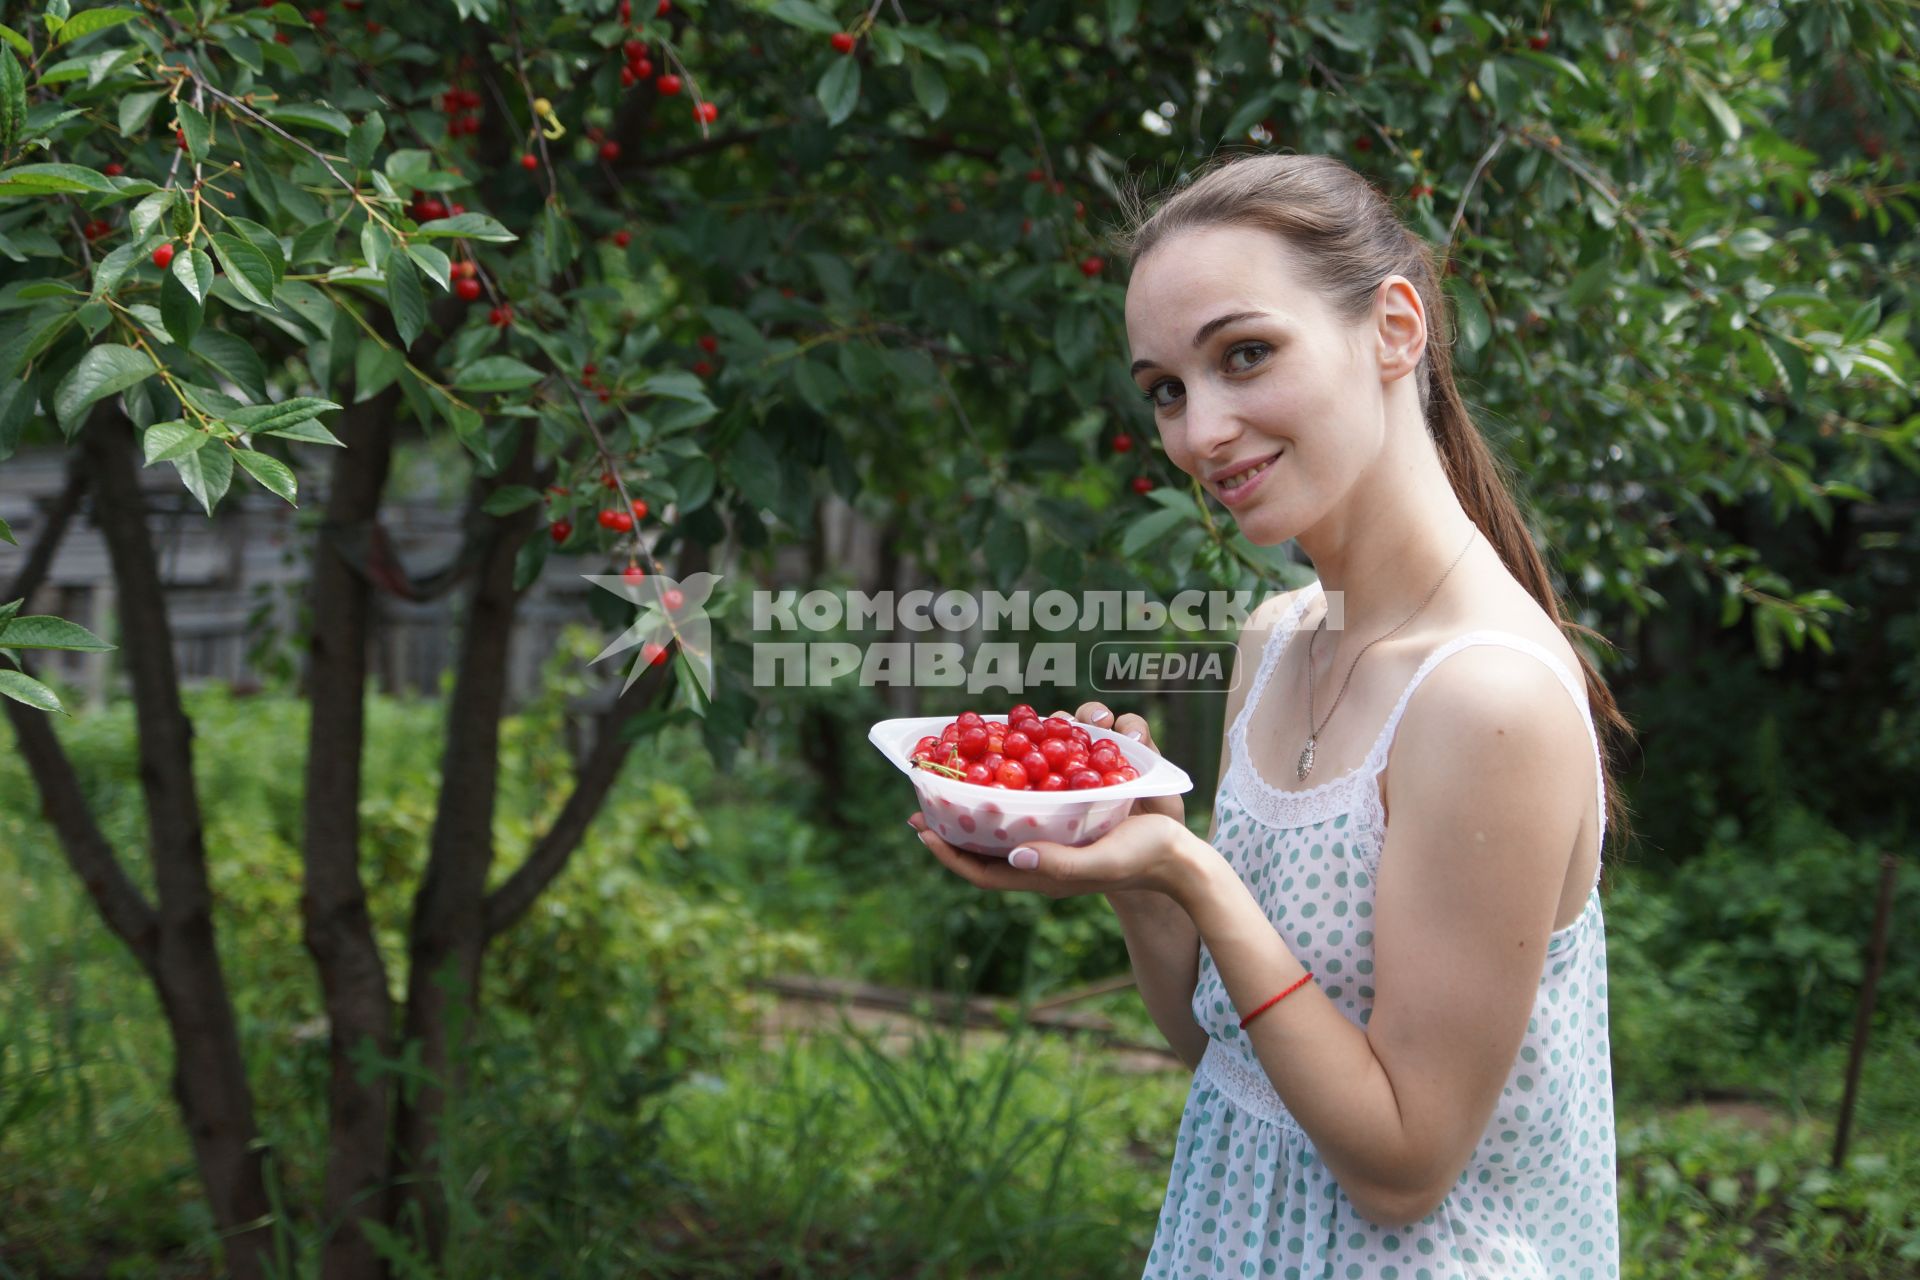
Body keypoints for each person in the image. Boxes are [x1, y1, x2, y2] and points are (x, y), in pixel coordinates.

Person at [908, 151, 1635, 1278]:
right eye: (1166, 389)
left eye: (1245, 355)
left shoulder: (1484, 700)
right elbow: (1226, 1050)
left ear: (1396, 329)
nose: (1201, 433)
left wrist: (1197, 875)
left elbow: (1400, 1164)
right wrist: (1136, 861)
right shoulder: (1278, 638)